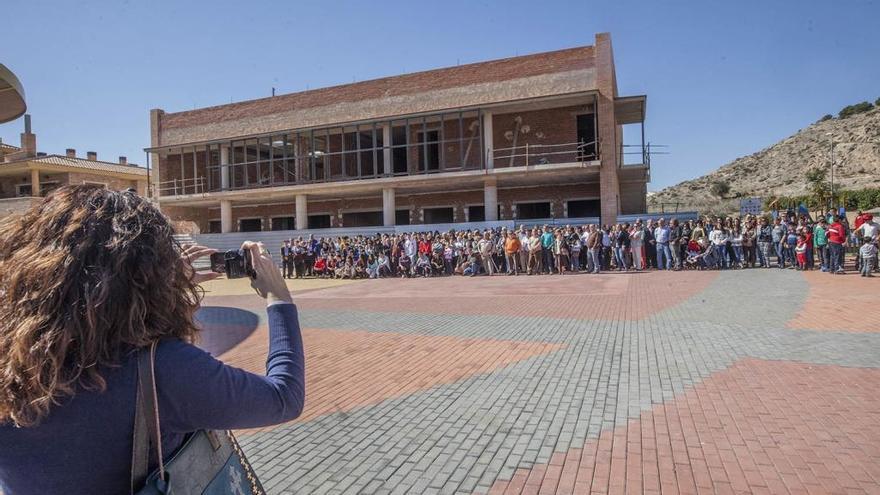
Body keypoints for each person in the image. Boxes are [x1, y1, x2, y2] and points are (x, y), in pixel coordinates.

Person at [0, 185, 305, 495]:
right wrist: (279, 298)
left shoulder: (10, 365)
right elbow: (283, 398)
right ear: (148, 275)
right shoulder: (162, 369)